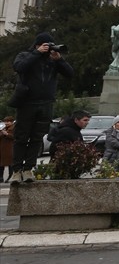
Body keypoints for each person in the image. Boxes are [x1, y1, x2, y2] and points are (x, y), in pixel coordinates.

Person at [10, 31, 74, 183]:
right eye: (46, 46)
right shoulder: (25, 56)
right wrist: (36, 53)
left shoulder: (52, 61)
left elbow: (70, 74)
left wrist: (60, 60)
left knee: (37, 138)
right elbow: (19, 67)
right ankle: (16, 170)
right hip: (27, 103)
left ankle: (28, 170)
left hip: (46, 103)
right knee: (21, 137)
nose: (49, 49)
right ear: (38, 45)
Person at [0, 115, 15, 183]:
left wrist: (7, 134)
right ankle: (1, 177)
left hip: (10, 148)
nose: (6, 123)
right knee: (1, 163)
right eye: (5, 121)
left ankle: (10, 176)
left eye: (8, 121)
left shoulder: (14, 128)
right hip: (2, 149)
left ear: (11, 122)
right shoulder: (4, 128)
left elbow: (14, 137)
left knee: (10, 163)